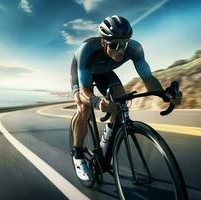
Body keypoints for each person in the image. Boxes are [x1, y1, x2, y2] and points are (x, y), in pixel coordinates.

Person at [70, 15, 182, 181]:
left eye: (124, 44)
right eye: (115, 45)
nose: (120, 50)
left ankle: (106, 142)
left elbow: (148, 79)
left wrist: (165, 95)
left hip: (105, 73)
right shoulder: (88, 49)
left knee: (120, 101)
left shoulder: (135, 48)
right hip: (83, 74)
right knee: (84, 108)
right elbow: (83, 91)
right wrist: (98, 102)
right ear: (103, 42)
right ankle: (78, 155)